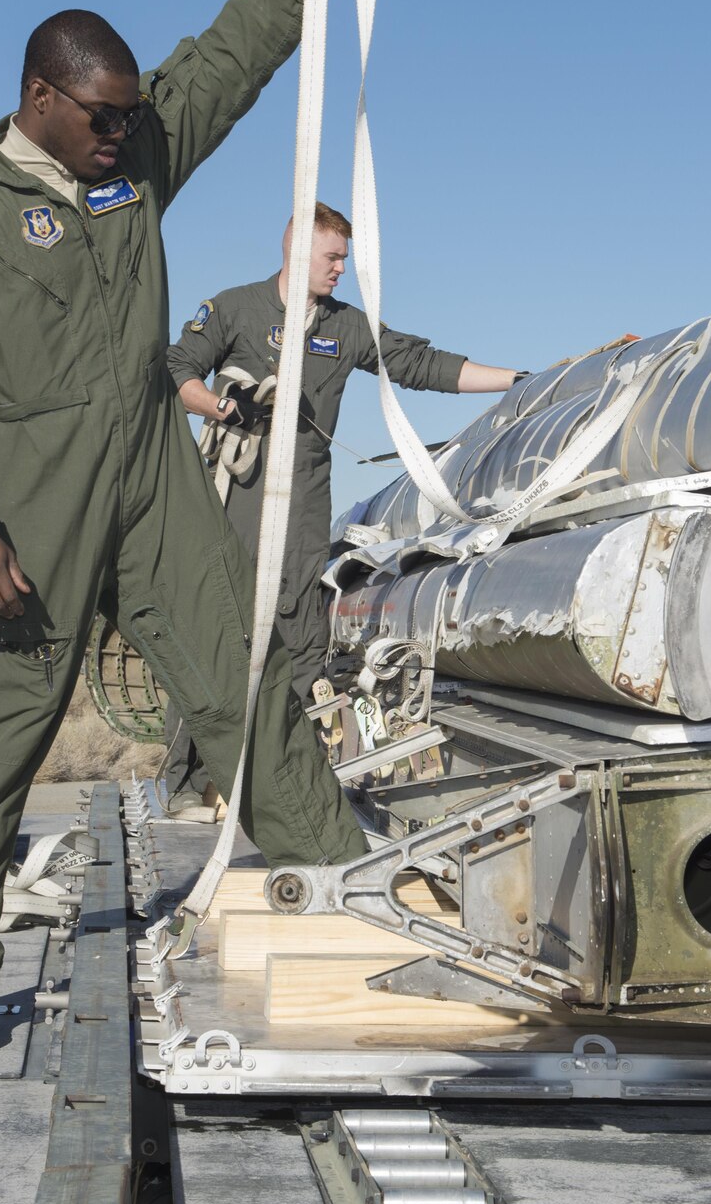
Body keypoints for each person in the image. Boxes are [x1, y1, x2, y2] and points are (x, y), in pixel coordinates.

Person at [0, 0, 373, 1051]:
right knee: (1, 732)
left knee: (240, 680)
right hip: (28, 509)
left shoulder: (133, 162)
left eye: (129, 117)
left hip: (152, 473)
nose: (122, 132)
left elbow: (226, 59)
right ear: (40, 96)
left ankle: (348, 892)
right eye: (101, 117)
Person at [156, 204, 521, 817]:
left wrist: (521, 378)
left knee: (299, 634)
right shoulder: (235, 308)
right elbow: (175, 370)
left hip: (303, 499)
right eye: (332, 258)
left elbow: (418, 364)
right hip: (236, 494)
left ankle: (270, 780)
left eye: (345, 258)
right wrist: (221, 406)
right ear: (297, 253)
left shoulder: (346, 326)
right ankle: (189, 783)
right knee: (221, 629)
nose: (341, 270)